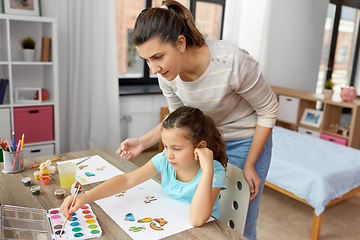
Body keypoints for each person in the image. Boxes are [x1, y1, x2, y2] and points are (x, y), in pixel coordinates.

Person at [117, 1, 279, 239]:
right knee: (205, 215)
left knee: (239, 221)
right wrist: (143, 142)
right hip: (205, 140)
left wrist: (251, 163)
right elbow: (178, 119)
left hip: (246, 140)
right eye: (146, 60)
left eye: (158, 56)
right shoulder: (166, 74)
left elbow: (268, 110)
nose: (153, 68)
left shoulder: (233, 62)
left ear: (180, 43)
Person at [60, 106, 227, 227]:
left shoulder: (214, 171)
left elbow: (197, 220)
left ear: (200, 147)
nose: (168, 154)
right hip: (171, 221)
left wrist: (208, 169)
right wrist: (85, 198)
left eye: (176, 148)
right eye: (166, 146)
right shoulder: (164, 160)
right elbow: (127, 180)